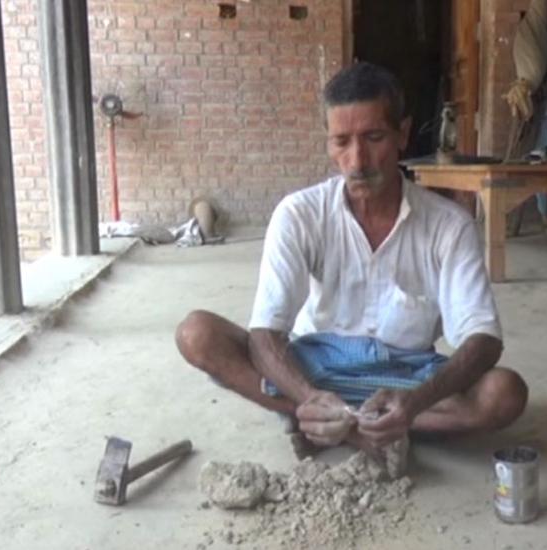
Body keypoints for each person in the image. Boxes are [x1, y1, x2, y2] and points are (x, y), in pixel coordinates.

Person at [175, 62, 527, 466]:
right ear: (328, 142)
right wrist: (308, 397)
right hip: (313, 368)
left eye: (374, 138)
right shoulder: (299, 214)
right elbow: (265, 333)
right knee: (196, 333)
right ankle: (338, 424)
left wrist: (415, 400)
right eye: (341, 141)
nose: (357, 161)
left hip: (407, 375)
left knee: (504, 394)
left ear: (403, 134)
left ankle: (351, 425)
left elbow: (484, 339)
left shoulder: (449, 225)